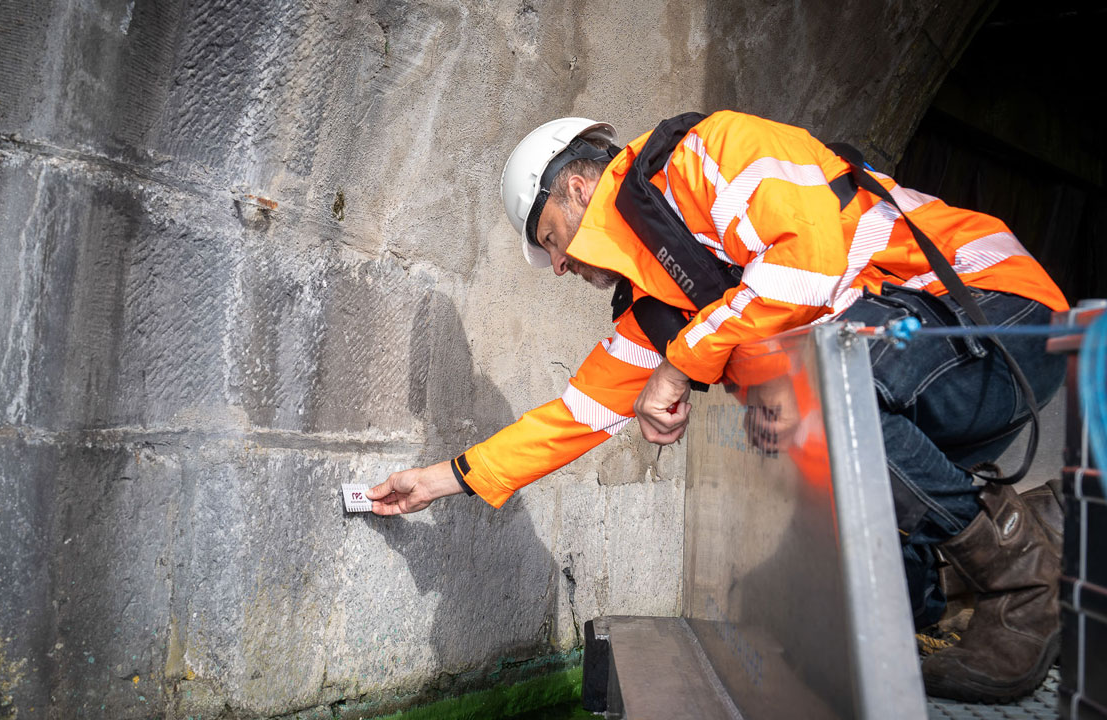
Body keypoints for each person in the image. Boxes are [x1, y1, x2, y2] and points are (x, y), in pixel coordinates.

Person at [365, 110, 1068, 702]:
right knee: (811, 468)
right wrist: (436, 480)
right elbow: (574, 416)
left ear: (578, 189)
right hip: (918, 363)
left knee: (816, 401)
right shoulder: (660, 308)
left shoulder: (710, 154)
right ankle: (958, 585)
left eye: (549, 239)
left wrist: (678, 368)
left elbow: (809, 261)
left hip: (990, 309)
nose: (557, 266)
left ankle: (1022, 583)